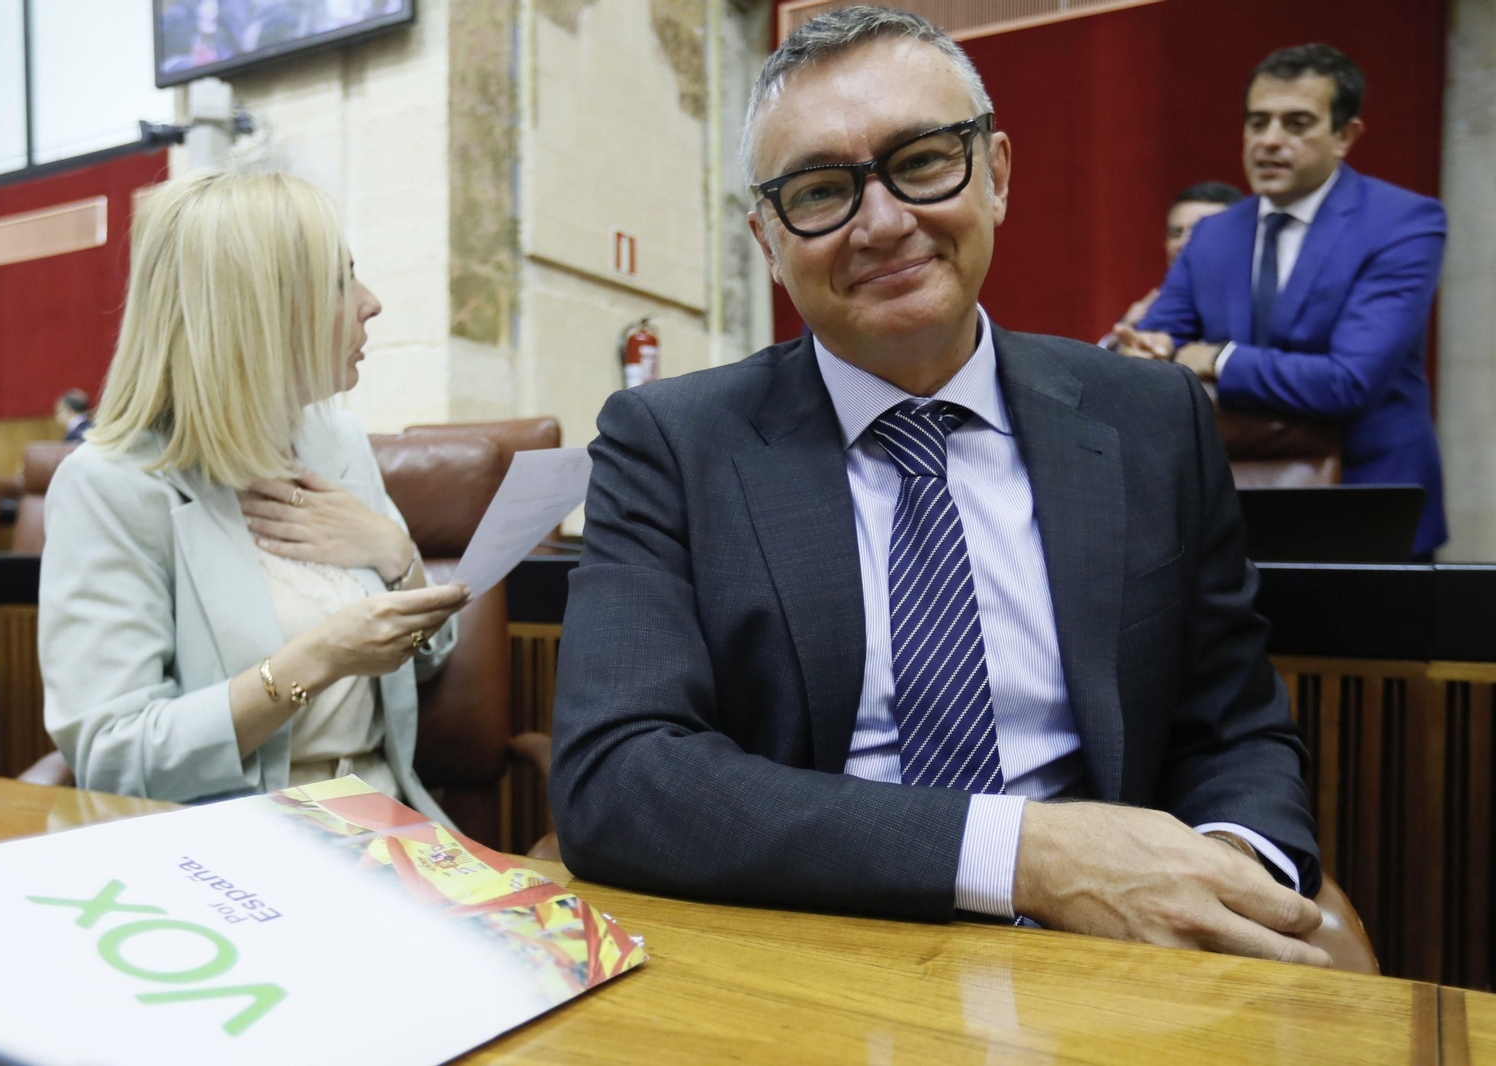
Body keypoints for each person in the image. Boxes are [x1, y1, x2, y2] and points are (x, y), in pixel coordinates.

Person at [549, 7, 1329, 966]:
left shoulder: (1151, 417)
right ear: (766, 237)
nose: (882, 224)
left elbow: (1235, 726)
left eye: (922, 161)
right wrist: (1020, 854)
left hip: (1118, 957)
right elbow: (618, 775)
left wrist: (1220, 876)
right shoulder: (670, 441)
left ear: (996, 173)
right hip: (816, 951)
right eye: (822, 190)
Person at [39, 170, 469, 816]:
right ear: (255, 312)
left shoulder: (339, 442)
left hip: (390, 822)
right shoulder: (110, 487)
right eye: (338, 282)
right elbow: (115, 756)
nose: (371, 301)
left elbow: (429, 659)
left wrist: (397, 554)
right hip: (232, 846)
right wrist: (315, 660)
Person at [1121, 44, 1447, 557]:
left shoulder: (1404, 223)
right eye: (1258, 122)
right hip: (1232, 505)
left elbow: (1349, 383)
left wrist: (1218, 358)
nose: (1270, 141)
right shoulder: (1213, 235)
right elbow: (1159, 345)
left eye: (1296, 123)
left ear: (1345, 136)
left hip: (1367, 507)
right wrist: (1139, 357)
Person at [1100, 182, 1242, 348]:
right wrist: (1122, 338)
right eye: (1176, 233)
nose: (1183, 243)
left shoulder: (1253, 312)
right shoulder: (1150, 313)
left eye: (1200, 233)